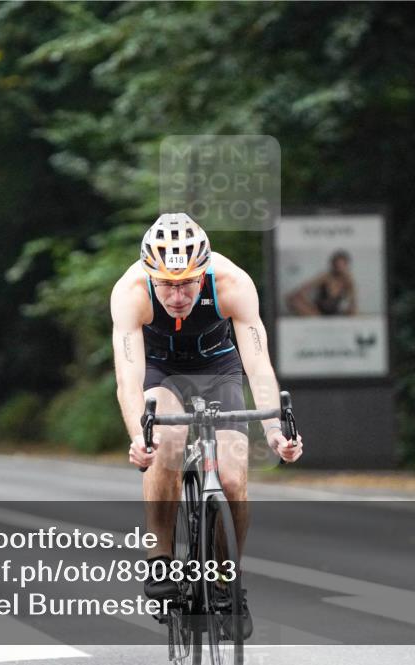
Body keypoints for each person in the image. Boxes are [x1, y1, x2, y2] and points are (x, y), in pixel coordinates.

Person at [110, 212, 304, 638]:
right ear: (150, 275)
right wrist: (137, 438)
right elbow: (127, 379)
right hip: (159, 371)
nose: (177, 296)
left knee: (234, 480)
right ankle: (160, 557)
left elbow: (258, 364)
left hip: (219, 368)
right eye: (167, 284)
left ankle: (226, 581)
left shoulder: (232, 283)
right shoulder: (130, 292)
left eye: (187, 284)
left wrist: (275, 431)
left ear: (204, 273)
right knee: (167, 440)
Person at [286, 250, 358, 316]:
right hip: (318, 312)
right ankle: (316, 318)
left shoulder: (348, 280)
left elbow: (353, 302)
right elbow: (303, 289)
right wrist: (309, 305)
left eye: (342, 265)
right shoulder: (325, 276)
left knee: (353, 312)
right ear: (333, 265)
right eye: (337, 265)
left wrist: (351, 310)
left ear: (346, 265)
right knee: (292, 298)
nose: (339, 268)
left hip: (334, 313)